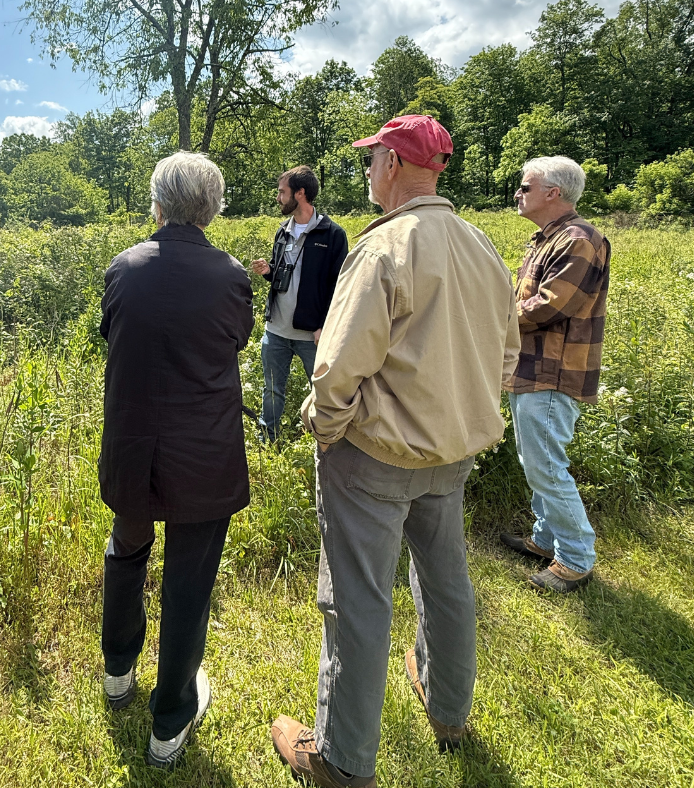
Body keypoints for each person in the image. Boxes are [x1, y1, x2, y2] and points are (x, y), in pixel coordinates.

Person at [270, 116, 520, 788]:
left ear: (392, 163)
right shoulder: (482, 245)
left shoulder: (385, 250)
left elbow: (335, 370)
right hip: (452, 454)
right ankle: (449, 711)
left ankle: (341, 761)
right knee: (446, 583)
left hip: (374, 458)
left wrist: (327, 430)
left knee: (356, 601)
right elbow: (506, 359)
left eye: (371, 159)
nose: (367, 172)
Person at [98, 151, 254, 768]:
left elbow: (110, 334)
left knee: (127, 548)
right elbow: (237, 340)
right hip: (203, 447)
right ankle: (170, 719)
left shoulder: (124, 266)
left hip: (134, 441)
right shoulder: (230, 273)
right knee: (190, 580)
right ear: (211, 208)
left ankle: (117, 670)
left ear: (158, 203)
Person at [499, 156, 611, 593]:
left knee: (547, 466)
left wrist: (493, 314)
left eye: (526, 186)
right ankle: (546, 539)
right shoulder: (546, 240)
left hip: (552, 370)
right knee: (536, 462)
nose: (518, 193)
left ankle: (577, 558)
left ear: (554, 193)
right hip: (532, 368)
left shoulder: (579, 240)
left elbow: (550, 305)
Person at [250, 166, 348, 442]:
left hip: (312, 336)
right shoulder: (283, 231)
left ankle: (326, 441)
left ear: (300, 193)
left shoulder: (332, 235)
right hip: (276, 332)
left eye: (282, 192)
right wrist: (268, 271)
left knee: (324, 392)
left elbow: (338, 286)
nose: (278, 198)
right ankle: (267, 441)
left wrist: (323, 326)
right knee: (271, 391)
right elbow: (284, 275)